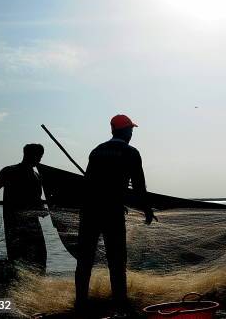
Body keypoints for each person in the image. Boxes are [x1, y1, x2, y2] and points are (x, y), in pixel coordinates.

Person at [75, 114, 156, 310]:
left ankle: (80, 302)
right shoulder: (131, 152)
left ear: (112, 131)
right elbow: (138, 186)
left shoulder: (97, 151)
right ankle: (119, 302)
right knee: (117, 260)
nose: (131, 133)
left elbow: (88, 183)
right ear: (126, 131)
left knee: (85, 259)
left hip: (89, 211)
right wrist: (146, 209)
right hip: (112, 212)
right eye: (131, 130)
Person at [0, 144, 48, 272]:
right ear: (31, 155)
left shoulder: (37, 177)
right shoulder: (9, 171)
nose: (40, 160)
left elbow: (37, 200)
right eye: (39, 156)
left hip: (32, 224)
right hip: (14, 224)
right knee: (17, 259)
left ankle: (38, 288)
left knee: (40, 257)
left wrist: (42, 209)